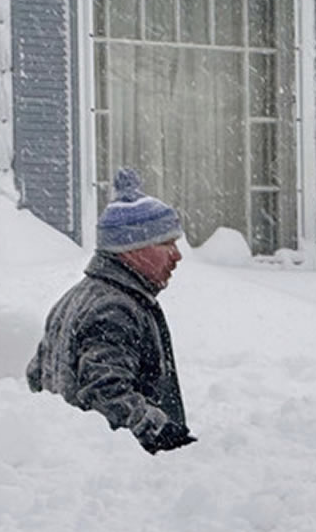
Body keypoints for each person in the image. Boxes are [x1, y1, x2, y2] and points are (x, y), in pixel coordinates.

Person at [28, 168, 196, 454]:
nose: (177, 255)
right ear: (132, 249)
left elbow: (37, 376)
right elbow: (104, 392)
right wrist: (160, 433)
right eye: (166, 244)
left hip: (72, 458)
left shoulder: (79, 297)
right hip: (114, 469)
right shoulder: (115, 308)